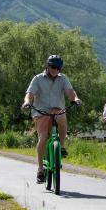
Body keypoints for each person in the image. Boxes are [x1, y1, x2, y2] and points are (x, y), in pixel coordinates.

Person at [22, 55, 81, 183]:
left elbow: (70, 91)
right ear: (47, 66)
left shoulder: (63, 78)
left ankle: (62, 146)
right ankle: (40, 170)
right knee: (43, 138)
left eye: (58, 68)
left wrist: (75, 99)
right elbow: (30, 94)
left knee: (62, 119)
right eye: (53, 67)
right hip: (41, 111)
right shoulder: (38, 79)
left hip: (57, 109)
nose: (55, 70)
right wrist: (27, 102)